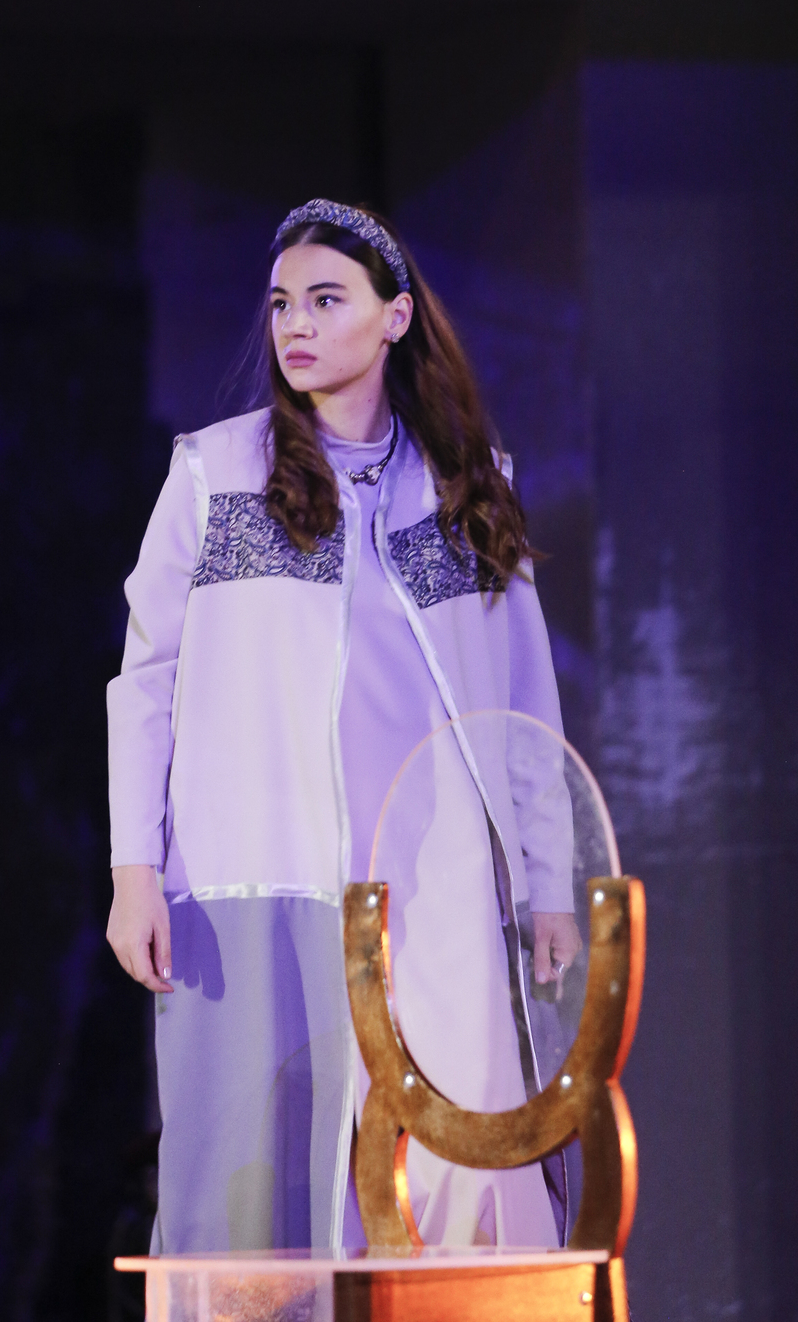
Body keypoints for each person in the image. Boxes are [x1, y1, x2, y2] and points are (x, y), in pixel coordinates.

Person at [105, 198, 581, 1255]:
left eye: (326, 300)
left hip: (435, 889)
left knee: (456, 1177)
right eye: (282, 304)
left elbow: (522, 705)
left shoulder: (468, 487)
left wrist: (547, 881)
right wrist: (135, 870)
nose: (296, 325)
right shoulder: (215, 474)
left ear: (395, 317)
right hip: (260, 874)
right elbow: (144, 683)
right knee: (255, 1180)